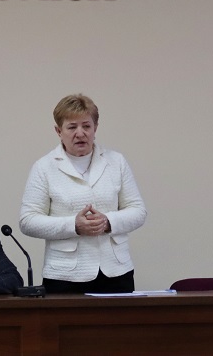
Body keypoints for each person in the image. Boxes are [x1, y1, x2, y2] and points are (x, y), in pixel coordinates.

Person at [19, 94, 147, 293]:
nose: (80, 133)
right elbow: (28, 221)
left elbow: (138, 211)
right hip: (65, 275)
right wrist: (74, 225)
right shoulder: (44, 167)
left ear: (95, 128)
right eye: (72, 127)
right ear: (58, 131)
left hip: (116, 271)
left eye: (86, 126)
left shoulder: (116, 162)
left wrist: (108, 221)